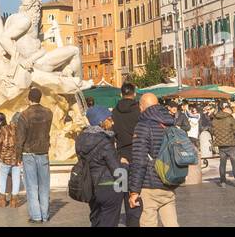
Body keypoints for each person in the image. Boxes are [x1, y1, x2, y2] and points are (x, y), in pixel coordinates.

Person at [127, 93, 181, 227]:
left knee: (148, 223)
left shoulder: (143, 126)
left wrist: (134, 191)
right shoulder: (170, 123)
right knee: (172, 224)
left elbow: (139, 161)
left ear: (142, 106)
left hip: (149, 185)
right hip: (169, 181)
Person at [75, 106, 122, 227]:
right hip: (108, 186)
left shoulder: (80, 139)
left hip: (90, 186)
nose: (112, 122)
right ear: (101, 121)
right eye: (109, 119)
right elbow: (116, 169)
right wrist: (125, 188)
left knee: (96, 220)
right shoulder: (105, 141)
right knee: (109, 222)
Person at [14, 87, 53, 224]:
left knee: (31, 186)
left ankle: (36, 216)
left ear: (29, 98)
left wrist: (17, 157)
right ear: (40, 98)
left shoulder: (24, 115)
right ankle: (45, 214)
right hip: (43, 152)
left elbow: (20, 138)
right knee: (44, 185)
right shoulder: (49, 113)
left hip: (28, 153)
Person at [111, 82, 141, 226]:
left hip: (120, 158)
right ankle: (133, 223)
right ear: (134, 93)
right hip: (137, 156)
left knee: (119, 193)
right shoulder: (139, 111)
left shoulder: (114, 112)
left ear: (121, 94)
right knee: (135, 194)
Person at [0, 111, 22, 208]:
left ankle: (2, 200)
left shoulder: (4, 129)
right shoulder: (21, 131)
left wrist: (0, 155)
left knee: (3, 178)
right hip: (17, 159)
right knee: (16, 178)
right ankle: (14, 201)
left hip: (5, 158)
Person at [212, 104, 235, 187]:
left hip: (221, 145)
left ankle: (222, 182)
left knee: (222, 164)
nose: (230, 110)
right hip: (231, 144)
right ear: (225, 109)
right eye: (229, 108)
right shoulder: (230, 118)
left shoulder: (215, 119)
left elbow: (213, 131)